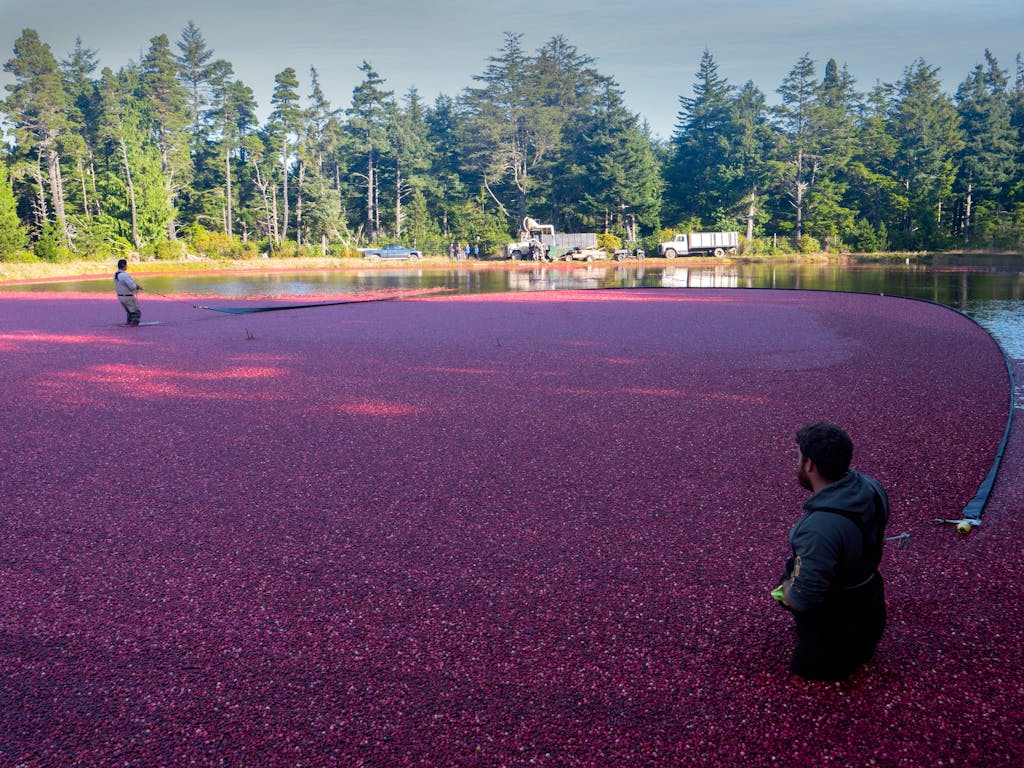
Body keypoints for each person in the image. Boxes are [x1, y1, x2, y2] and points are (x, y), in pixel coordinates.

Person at [772, 422, 890, 680]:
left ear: (810, 465)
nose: (797, 463)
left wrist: (785, 589)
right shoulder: (872, 487)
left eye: (798, 457)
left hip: (835, 633)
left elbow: (804, 598)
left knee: (810, 679)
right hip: (870, 604)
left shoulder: (818, 528)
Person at [114, 258, 142, 325]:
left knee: (129, 311)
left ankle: (129, 323)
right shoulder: (124, 275)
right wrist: (137, 287)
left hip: (120, 297)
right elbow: (132, 286)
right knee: (136, 311)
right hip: (127, 297)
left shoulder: (116, 274)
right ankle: (133, 325)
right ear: (125, 266)